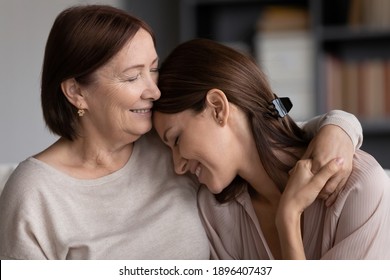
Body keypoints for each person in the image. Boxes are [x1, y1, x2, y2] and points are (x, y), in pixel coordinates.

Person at [0, 5, 362, 260]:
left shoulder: (168, 145)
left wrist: (340, 126)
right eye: (132, 76)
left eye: (153, 70)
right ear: (76, 92)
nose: (154, 91)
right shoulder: (35, 193)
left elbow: (263, 132)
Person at [152, 38, 390, 259]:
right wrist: (341, 123)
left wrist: (288, 219)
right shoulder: (216, 212)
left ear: (217, 108)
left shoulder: (359, 188)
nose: (177, 166)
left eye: (176, 140)